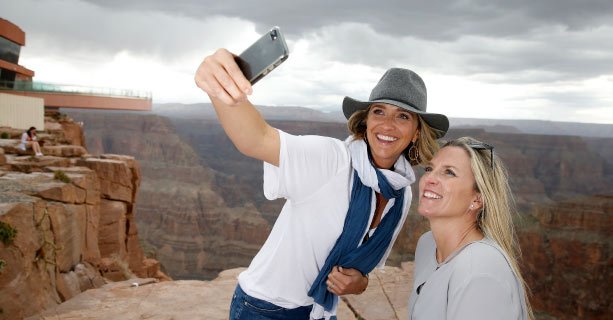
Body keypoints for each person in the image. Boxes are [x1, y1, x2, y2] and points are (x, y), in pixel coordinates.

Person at [194, 48, 449, 320]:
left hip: (319, 312)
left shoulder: (400, 194)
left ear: (416, 132)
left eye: (402, 116)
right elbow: (257, 140)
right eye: (379, 111)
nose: (387, 125)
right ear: (366, 121)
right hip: (264, 309)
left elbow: (363, 272)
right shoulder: (332, 160)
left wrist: (358, 284)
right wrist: (220, 87)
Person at [408, 137, 533, 320]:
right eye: (429, 169)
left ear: (477, 199)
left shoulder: (480, 270)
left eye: (449, 172)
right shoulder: (427, 245)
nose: (429, 179)